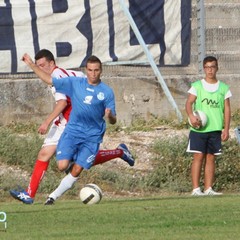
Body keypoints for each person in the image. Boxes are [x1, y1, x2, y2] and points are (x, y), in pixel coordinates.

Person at [10, 50, 134, 204]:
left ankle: (30, 195)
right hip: (70, 121)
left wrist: (46, 121)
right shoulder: (68, 74)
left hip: (69, 123)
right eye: (38, 66)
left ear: (52, 63)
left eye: (42, 65)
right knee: (68, 160)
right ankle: (119, 152)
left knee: (48, 155)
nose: (40, 68)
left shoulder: (57, 76)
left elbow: (62, 102)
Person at [186, 56, 231, 196]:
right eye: (207, 67)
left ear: (217, 68)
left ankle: (208, 188)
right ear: (204, 69)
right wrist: (192, 117)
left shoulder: (224, 88)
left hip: (215, 128)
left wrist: (226, 128)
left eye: (212, 67)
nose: (210, 70)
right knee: (198, 157)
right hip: (199, 129)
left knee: (211, 157)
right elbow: (188, 103)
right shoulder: (197, 86)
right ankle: (195, 189)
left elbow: (227, 109)